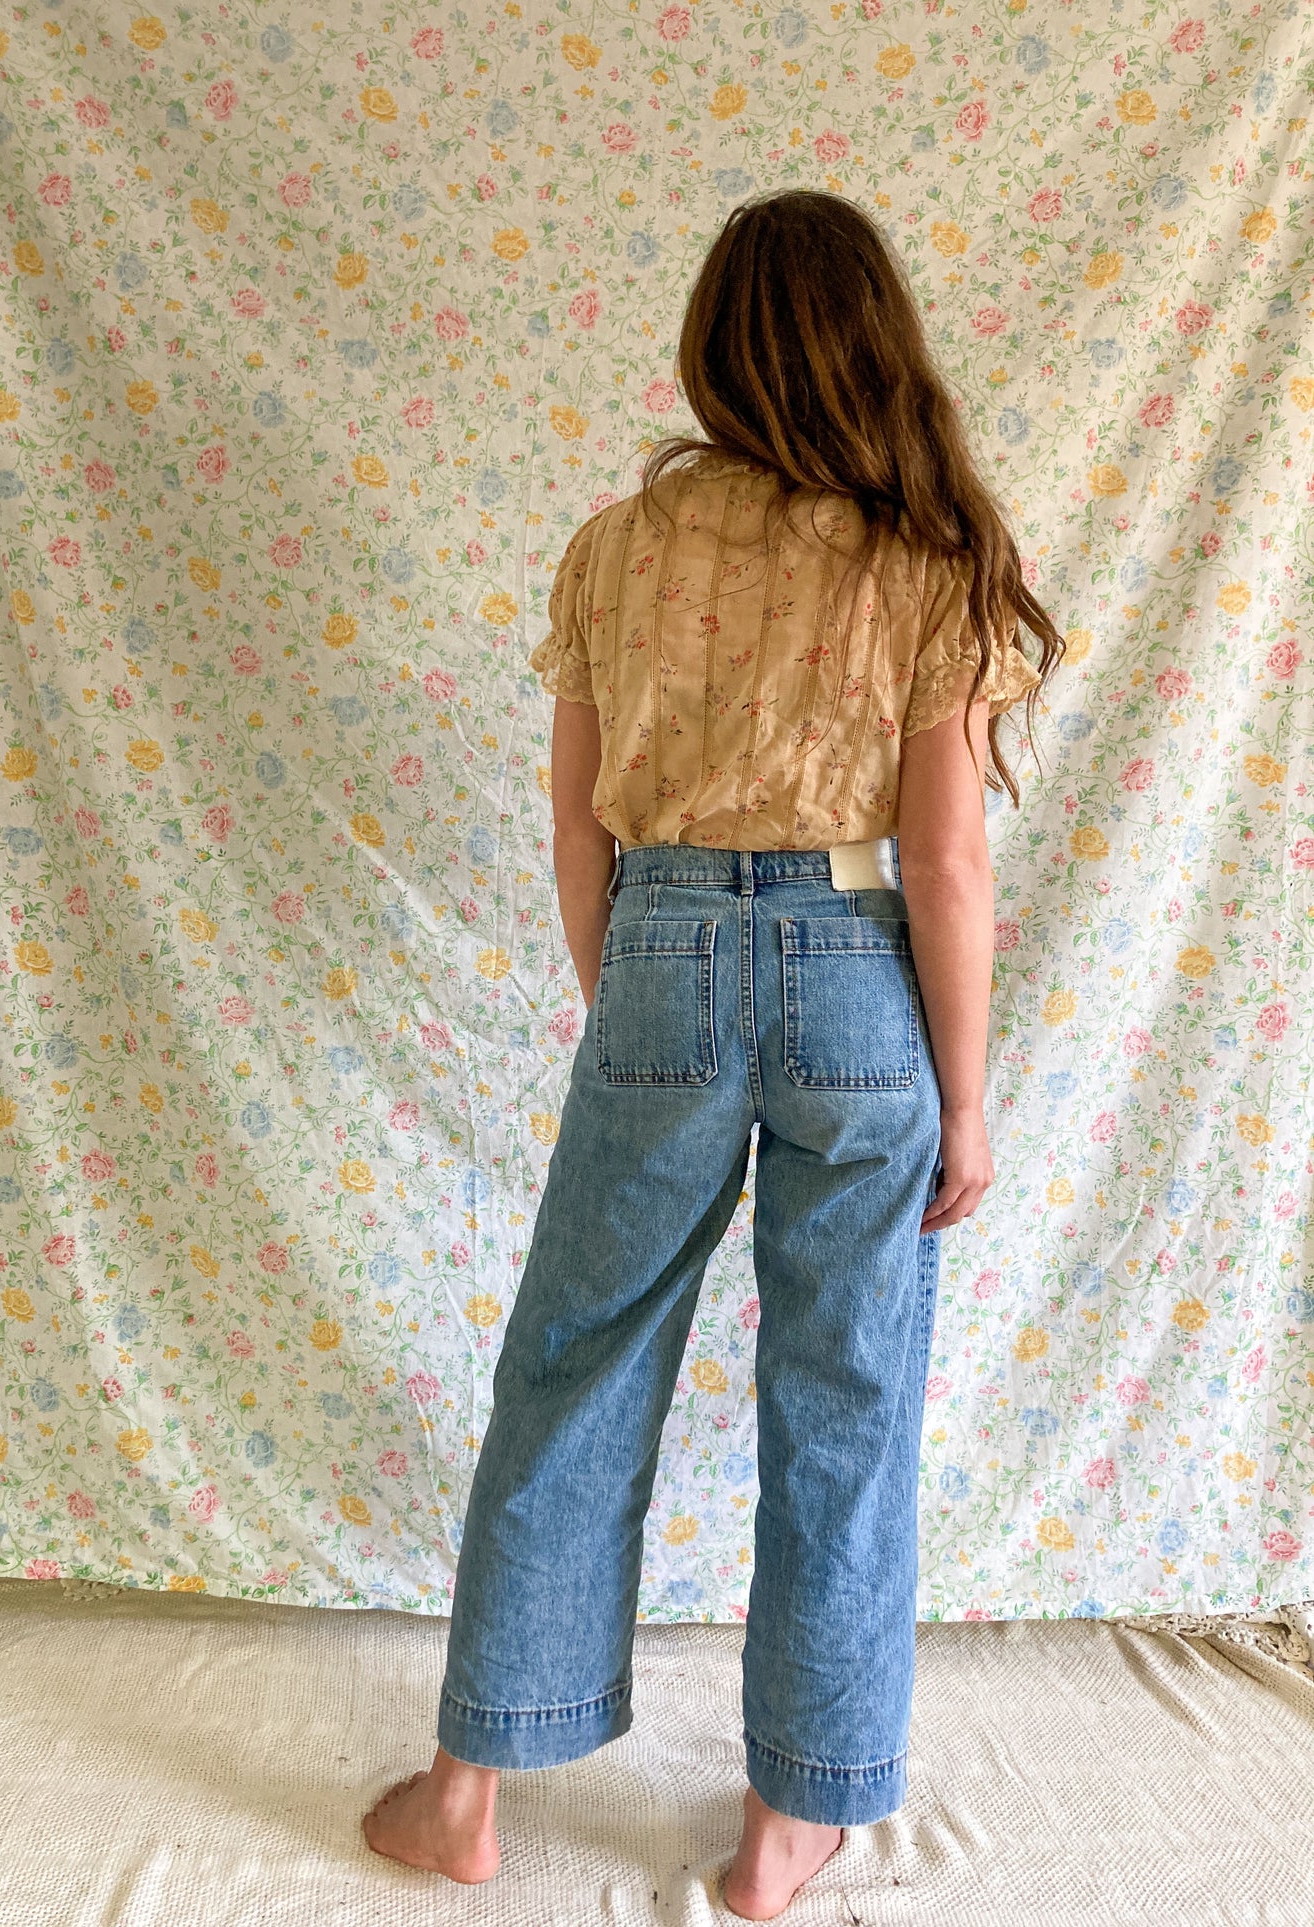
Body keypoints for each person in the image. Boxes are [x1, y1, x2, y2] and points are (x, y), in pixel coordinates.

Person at [362, 187, 1064, 1919]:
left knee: (572, 1366)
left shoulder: (616, 547)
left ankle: (467, 1795)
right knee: (843, 1406)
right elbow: (947, 861)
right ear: (871, 345)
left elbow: (575, 833)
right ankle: (784, 1830)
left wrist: (638, 1007)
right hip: (853, 976)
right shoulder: (924, 560)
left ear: (710, 349)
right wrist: (964, 1099)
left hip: (662, 947)